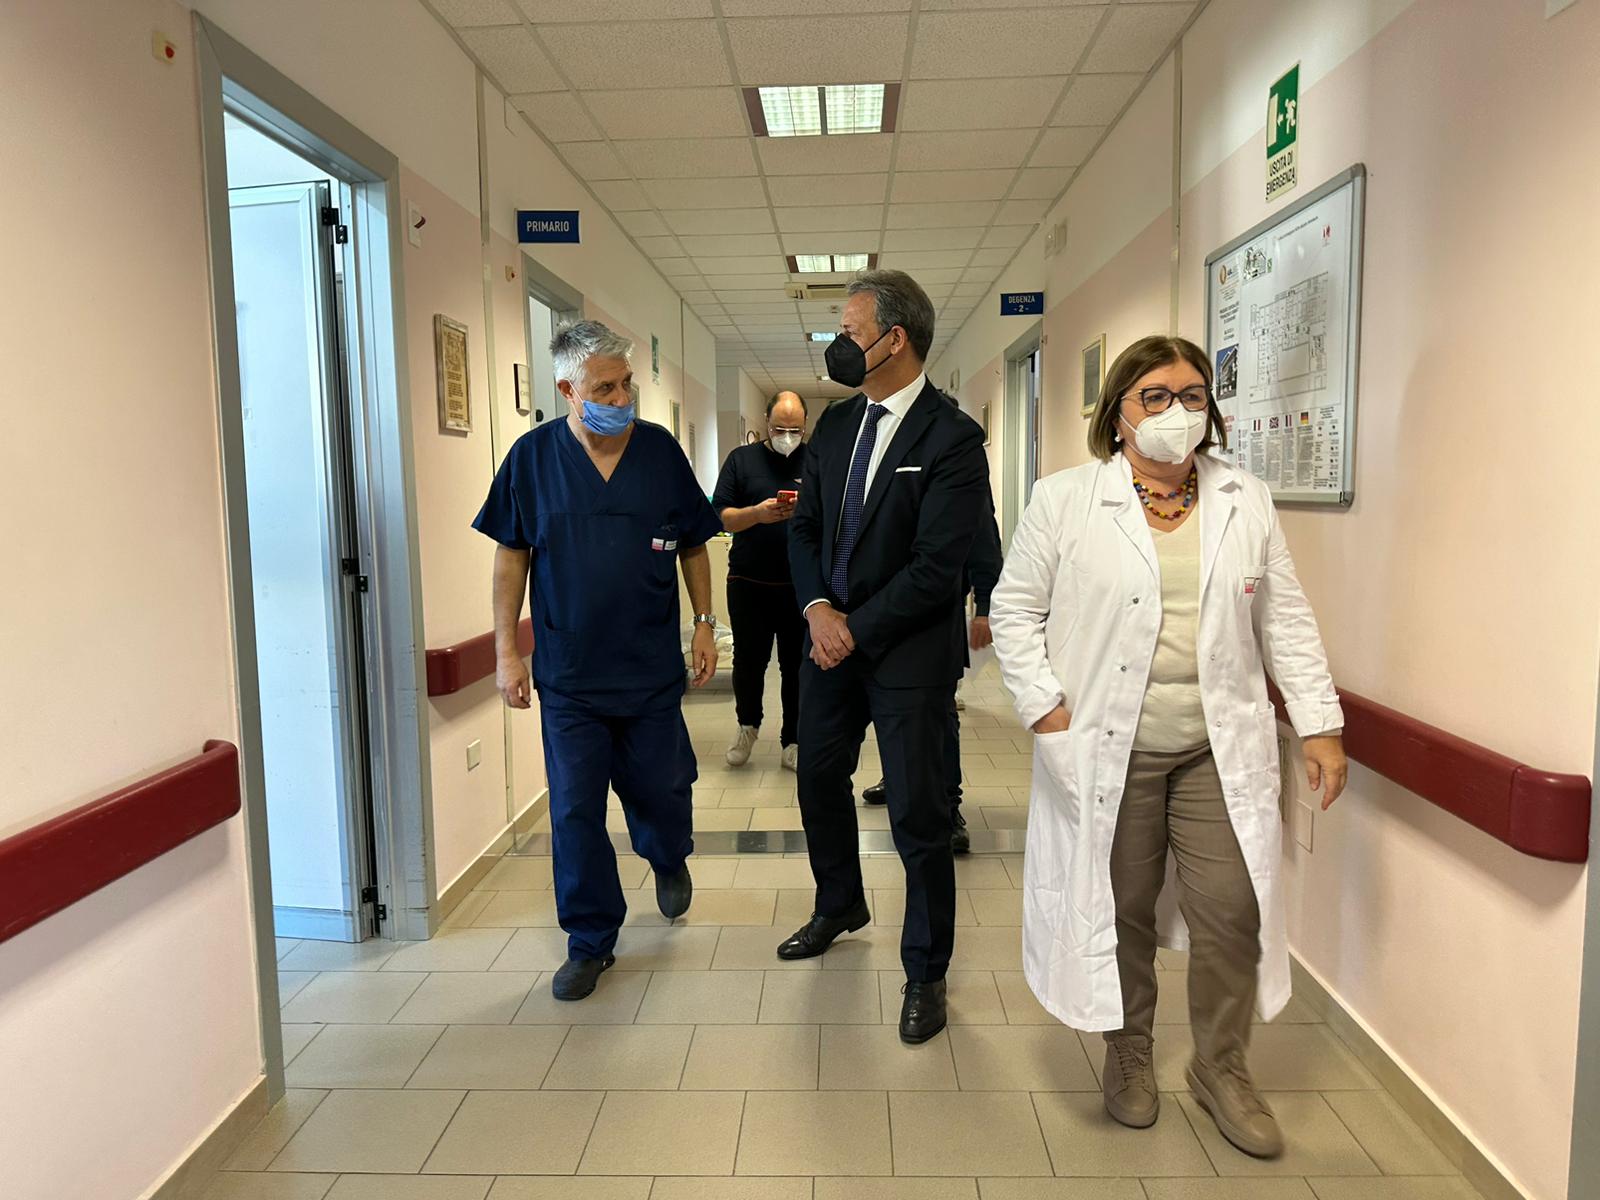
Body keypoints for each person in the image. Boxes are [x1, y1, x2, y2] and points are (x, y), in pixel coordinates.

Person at [989, 334, 1348, 1158]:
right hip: (1109, 747)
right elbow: (1014, 610)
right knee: (1123, 906)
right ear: (1118, 413)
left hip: (1216, 746)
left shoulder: (1245, 499)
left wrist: (1320, 724)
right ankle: (1129, 1052)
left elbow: (1285, 618)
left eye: (1191, 395)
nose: (1176, 411)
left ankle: (1221, 1067)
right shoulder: (1065, 499)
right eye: (1155, 396)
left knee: (1233, 908)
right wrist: (1046, 710)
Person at [473, 320, 723, 1003]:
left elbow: (694, 543)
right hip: (570, 676)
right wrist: (506, 652)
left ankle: (667, 854)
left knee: (662, 790)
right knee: (574, 812)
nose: (622, 397)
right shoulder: (531, 459)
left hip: (649, 670)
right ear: (567, 390)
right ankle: (590, 941)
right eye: (605, 387)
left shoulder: (660, 452)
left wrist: (705, 625)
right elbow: (511, 558)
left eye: (626, 384)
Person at [776, 270, 990, 1046]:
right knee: (816, 777)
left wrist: (852, 628)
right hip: (829, 645)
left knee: (918, 814)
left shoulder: (953, 438)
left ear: (894, 340)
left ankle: (926, 971)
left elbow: (936, 568)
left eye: (850, 330)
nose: (839, 343)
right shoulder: (837, 425)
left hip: (907, 653)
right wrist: (816, 610)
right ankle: (840, 902)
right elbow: (804, 530)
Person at [861, 486, 1001, 855]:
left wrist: (985, 606)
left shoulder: (954, 460)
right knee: (887, 705)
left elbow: (983, 536)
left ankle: (948, 808)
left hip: (936, 612)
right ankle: (897, 780)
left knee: (939, 713)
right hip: (873, 607)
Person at [712, 391, 809, 771]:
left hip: (799, 584)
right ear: (766, 422)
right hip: (749, 581)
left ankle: (794, 739)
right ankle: (747, 726)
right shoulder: (741, 461)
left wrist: (804, 510)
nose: (787, 437)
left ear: (806, 425)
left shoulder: (817, 460)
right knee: (749, 662)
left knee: (796, 665)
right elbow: (722, 516)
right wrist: (756, 513)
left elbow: (834, 517)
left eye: (795, 430)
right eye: (780, 429)